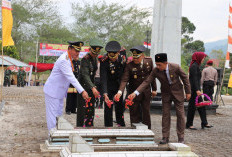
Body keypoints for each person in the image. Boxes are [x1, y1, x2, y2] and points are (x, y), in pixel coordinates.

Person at [128, 53, 191, 144]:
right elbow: (146, 82)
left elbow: (185, 78)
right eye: (156, 64)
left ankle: (181, 137)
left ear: (166, 63)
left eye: (159, 65)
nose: (157, 66)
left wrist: (188, 92)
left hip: (178, 93)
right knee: (165, 115)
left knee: (180, 115)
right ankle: (165, 137)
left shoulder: (175, 67)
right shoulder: (155, 71)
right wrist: (135, 93)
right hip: (165, 94)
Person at [43, 41, 89, 132]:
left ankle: (58, 135)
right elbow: (71, 78)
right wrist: (82, 91)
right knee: (52, 116)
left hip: (59, 93)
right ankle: (51, 136)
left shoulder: (69, 59)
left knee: (59, 115)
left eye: (79, 51)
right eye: (76, 51)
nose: (77, 53)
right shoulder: (64, 60)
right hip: (53, 92)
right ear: (69, 49)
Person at [114, 45, 156, 129]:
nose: (135, 60)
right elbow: (124, 80)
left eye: (137, 58)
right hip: (133, 92)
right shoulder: (129, 65)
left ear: (142, 56)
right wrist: (120, 92)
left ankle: (147, 130)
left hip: (146, 91)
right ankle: (134, 129)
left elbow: (152, 76)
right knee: (134, 111)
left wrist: (154, 89)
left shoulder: (149, 61)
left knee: (146, 111)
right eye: (134, 58)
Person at [77, 38, 103, 127]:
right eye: (93, 53)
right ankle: (80, 127)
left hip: (91, 86)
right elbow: (85, 75)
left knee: (91, 109)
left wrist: (93, 87)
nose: (95, 55)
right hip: (83, 87)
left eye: (97, 53)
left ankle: (89, 125)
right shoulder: (85, 59)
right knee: (82, 109)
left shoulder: (95, 59)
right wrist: (92, 87)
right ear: (90, 50)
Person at [100, 41, 126, 127]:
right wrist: (105, 93)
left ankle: (121, 125)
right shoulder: (104, 60)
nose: (112, 59)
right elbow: (103, 78)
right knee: (108, 108)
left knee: (119, 107)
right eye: (110, 56)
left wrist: (120, 91)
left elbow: (124, 76)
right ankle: (108, 126)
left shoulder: (123, 59)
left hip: (119, 86)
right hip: (108, 86)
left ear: (118, 53)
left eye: (114, 56)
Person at [186, 52, 213, 130]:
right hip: (194, 90)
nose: (203, 59)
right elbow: (194, 79)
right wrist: (197, 90)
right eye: (203, 58)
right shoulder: (194, 66)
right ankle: (189, 124)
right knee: (192, 107)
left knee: (201, 106)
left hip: (196, 89)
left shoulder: (196, 65)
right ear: (199, 57)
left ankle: (204, 123)